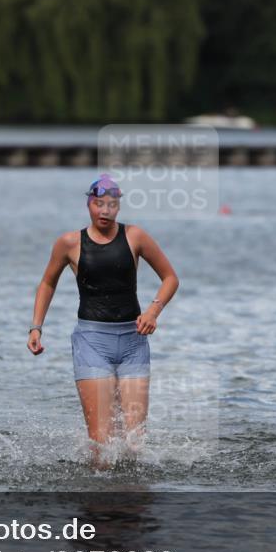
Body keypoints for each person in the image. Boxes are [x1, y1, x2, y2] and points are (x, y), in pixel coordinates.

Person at [28, 175, 179, 465]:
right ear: (89, 205)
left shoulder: (135, 237)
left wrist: (152, 311)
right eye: (99, 204)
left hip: (134, 343)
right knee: (102, 444)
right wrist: (37, 327)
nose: (105, 211)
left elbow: (170, 278)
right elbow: (48, 283)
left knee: (135, 445)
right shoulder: (69, 243)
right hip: (92, 341)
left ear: (119, 207)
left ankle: (131, 506)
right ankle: (99, 505)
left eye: (112, 204)